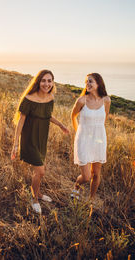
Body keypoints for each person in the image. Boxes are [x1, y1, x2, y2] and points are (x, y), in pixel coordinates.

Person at [11, 69, 69, 214]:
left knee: (39, 172)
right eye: (43, 80)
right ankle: (34, 199)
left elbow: (47, 115)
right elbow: (21, 121)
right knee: (41, 171)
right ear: (38, 81)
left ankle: (38, 193)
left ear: (52, 82)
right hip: (29, 138)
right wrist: (15, 144)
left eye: (49, 81)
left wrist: (61, 125)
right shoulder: (29, 98)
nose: (46, 83)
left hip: (42, 138)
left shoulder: (50, 98)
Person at [71, 73, 111, 201]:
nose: (87, 84)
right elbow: (73, 116)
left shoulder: (106, 100)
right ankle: (76, 186)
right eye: (86, 82)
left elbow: (104, 118)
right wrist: (78, 132)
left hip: (99, 140)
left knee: (96, 173)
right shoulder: (81, 100)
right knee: (87, 176)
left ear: (98, 83)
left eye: (90, 81)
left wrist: (99, 133)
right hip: (83, 140)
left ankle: (92, 198)